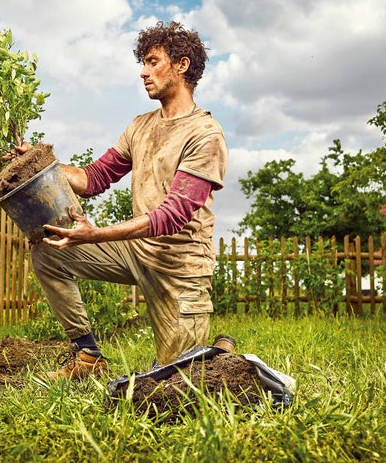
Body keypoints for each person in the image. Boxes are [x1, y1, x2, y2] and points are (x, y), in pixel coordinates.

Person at [12, 21, 228, 380]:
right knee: (49, 247)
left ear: (182, 65)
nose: (143, 72)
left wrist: (96, 234)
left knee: (179, 381)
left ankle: (221, 349)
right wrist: (41, 163)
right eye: (142, 63)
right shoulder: (139, 126)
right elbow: (94, 178)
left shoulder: (205, 134)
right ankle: (87, 356)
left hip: (180, 268)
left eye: (152, 61)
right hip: (136, 251)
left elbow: (172, 217)